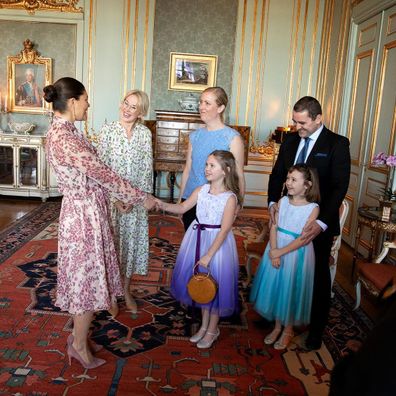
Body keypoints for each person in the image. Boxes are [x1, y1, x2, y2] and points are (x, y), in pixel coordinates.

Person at [44, 77, 155, 369]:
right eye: (85, 99)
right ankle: (79, 345)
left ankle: (79, 338)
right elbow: (103, 173)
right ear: (72, 102)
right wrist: (140, 197)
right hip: (83, 216)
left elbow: (98, 174)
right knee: (86, 281)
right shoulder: (66, 137)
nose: (88, 104)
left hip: (85, 210)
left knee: (89, 276)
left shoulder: (64, 130)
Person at [268, 96, 350, 350]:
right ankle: (280, 320)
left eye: (302, 123)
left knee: (317, 278)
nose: (297, 127)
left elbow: (339, 187)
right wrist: (272, 204)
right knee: (283, 270)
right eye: (295, 122)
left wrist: (323, 223)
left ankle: (315, 331)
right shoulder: (290, 140)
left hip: (317, 223)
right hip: (287, 218)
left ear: (318, 119)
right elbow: (277, 175)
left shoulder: (337, 144)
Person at [156, 150, 241, 349]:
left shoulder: (230, 198)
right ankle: (203, 326)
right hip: (196, 238)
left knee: (216, 285)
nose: (207, 169)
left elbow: (225, 229)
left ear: (226, 170)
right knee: (202, 284)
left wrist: (209, 255)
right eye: (206, 164)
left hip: (217, 245)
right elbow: (182, 208)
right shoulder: (201, 190)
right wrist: (160, 203)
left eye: (212, 165)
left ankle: (212, 329)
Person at [250, 164, 320, 349]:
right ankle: (277, 326)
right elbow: (274, 226)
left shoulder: (312, 208)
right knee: (277, 287)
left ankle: (288, 328)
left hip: (296, 253)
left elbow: (303, 239)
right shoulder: (282, 201)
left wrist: (280, 252)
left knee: (291, 289)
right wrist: (273, 250)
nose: (288, 183)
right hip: (276, 246)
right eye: (288, 179)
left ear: (307, 185)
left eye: (294, 180)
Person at [97, 90, 153, 316]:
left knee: (130, 247)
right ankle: (111, 294)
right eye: (126, 104)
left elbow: (147, 169)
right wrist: (115, 198)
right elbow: (101, 169)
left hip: (135, 203)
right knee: (112, 247)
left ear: (141, 112)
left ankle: (126, 290)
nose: (127, 110)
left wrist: (137, 198)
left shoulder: (145, 134)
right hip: (112, 201)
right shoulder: (108, 130)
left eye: (134, 107)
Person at [178, 86, 245, 230]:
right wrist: (181, 199)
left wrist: (238, 203)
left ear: (220, 108)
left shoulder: (232, 138)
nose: (201, 107)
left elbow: (238, 174)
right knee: (192, 244)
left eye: (207, 103)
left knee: (212, 246)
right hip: (191, 199)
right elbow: (188, 169)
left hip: (217, 202)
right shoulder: (194, 136)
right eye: (201, 102)